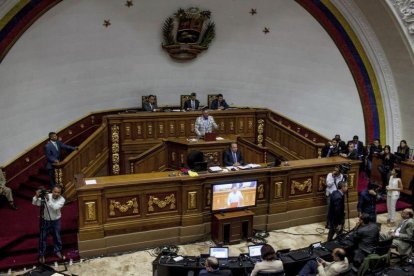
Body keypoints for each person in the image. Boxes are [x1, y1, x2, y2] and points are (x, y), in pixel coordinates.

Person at [32, 185, 65, 264]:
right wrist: (36, 197)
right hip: (45, 220)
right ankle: (42, 254)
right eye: (55, 191)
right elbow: (35, 203)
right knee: (43, 238)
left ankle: (58, 251)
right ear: (52, 191)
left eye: (58, 192)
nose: (56, 194)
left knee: (57, 237)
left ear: (60, 193)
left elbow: (55, 207)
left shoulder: (62, 199)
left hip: (56, 220)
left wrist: (48, 200)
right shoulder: (47, 196)